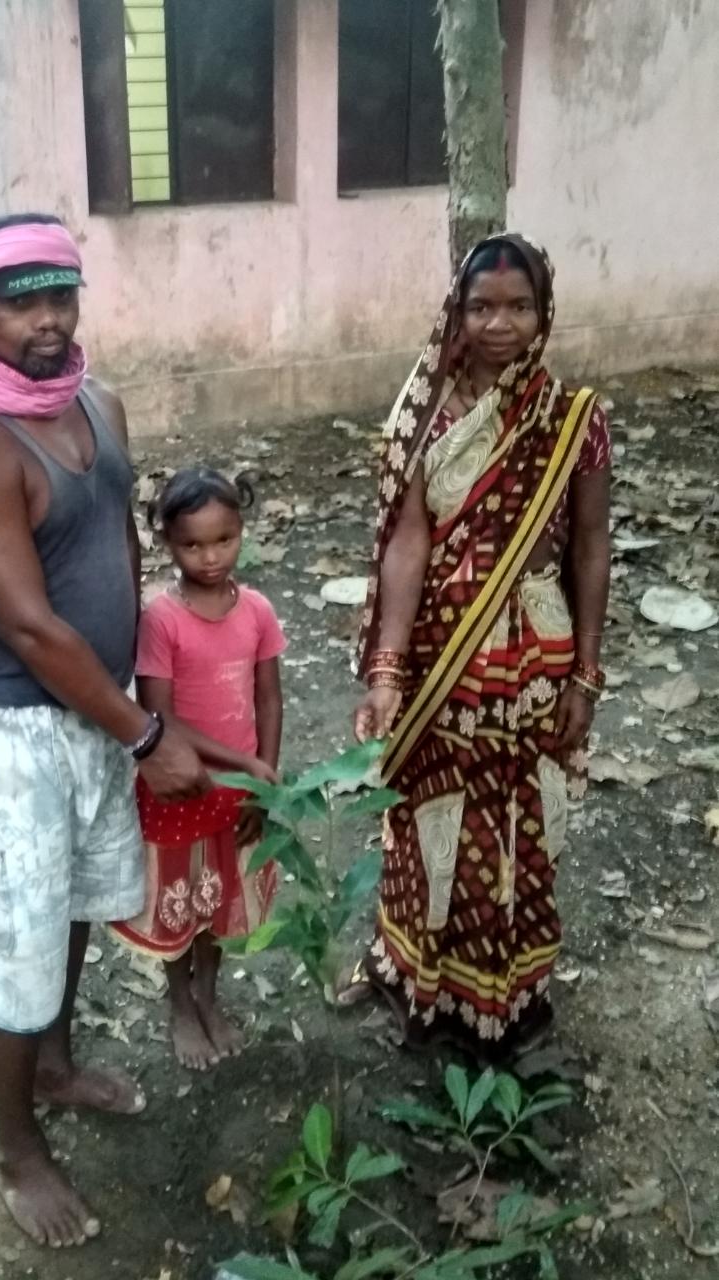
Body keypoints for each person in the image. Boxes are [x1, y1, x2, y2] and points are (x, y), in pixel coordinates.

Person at [0, 212, 209, 1248]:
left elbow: (119, 556)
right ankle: (14, 1141)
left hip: (102, 709)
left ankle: (53, 1062)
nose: (49, 318)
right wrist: (144, 733)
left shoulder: (100, 403)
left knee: (76, 896)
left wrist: (144, 685)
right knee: (14, 934)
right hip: (14, 728)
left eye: (62, 292)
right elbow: (32, 626)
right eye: (21, 298)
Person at [344, 233, 611, 1062]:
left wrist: (586, 676)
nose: (501, 324)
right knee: (430, 815)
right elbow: (406, 544)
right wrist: (388, 672)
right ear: (456, 313)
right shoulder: (427, 416)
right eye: (483, 306)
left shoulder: (573, 420)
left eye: (519, 306)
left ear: (544, 313)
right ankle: (414, 981)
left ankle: (510, 998)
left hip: (537, 651)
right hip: (439, 655)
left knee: (519, 821)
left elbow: (591, 546)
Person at [110, 468, 285, 1071]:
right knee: (178, 900)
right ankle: (180, 1001)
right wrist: (248, 762)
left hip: (235, 793)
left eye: (224, 540)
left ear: (242, 532)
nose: (210, 557)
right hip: (180, 786)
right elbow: (158, 718)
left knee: (219, 897)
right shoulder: (162, 619)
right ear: (166, 542)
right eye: (192, 544)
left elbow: (269, 698)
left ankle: (208, 994)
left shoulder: (257, 610)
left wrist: (266, 777)